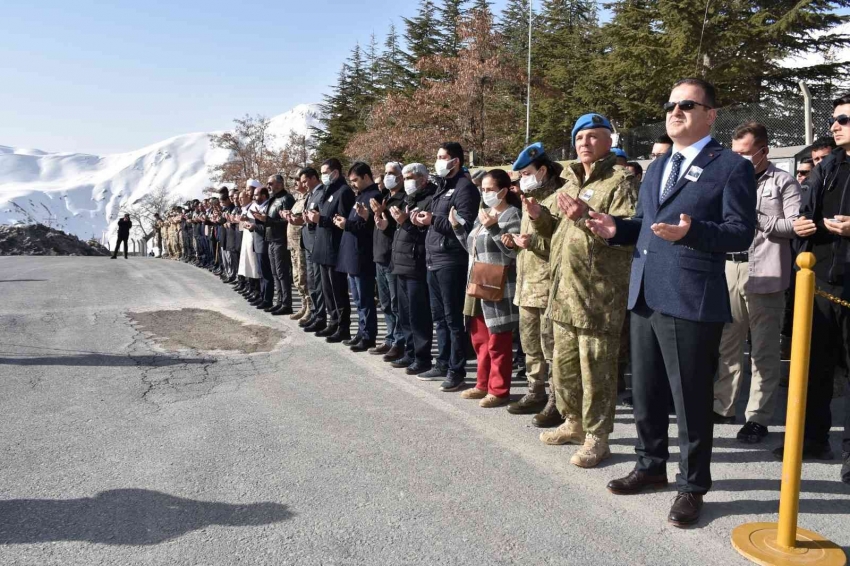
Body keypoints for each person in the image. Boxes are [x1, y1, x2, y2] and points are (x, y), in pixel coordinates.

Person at [588, 78, 756, 526]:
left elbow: (741, 232)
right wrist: (615, 228)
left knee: (690, 398)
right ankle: (650, 466)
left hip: (690, 296)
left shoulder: (730, 167)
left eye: (687, 104)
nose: (675, 111)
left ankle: (692, 485)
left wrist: (693, 232)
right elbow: (646, 225)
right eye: (671, 105)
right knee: (646, 391)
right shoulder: (659, 167)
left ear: (710, 115)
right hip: (646, 292)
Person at [529, 114, 636, 468]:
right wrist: (538, 217)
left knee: (597, 372)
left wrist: (584, 216)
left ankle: (597, 436)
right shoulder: (568, 183)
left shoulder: (619, 183)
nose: (585, 143)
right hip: (564, 295)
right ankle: (572, 422)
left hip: (597, 297)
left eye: (593, 137)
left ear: (609, 141)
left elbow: (623, 238)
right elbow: (554, 236)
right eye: (579, 137)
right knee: (565, 368)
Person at [712, 121, 801, 444]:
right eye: (735, 153)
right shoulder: (728, 180)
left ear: (763, 152)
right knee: (728, 343)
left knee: (763, 348)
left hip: (765, 272)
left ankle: (758, 417)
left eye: (746, 154)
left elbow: (793, 225)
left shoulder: (783, 182)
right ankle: (723, 405)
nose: (739, 159)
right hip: (730, 267)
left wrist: (755, 214)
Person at [790, 92, 850, 485]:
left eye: (843, 119)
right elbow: (804, 214)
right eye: (834, 119)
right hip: (821, 284)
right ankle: (813, 439)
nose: (834, 125)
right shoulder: (827, 166)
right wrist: (799, 228)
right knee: (814, 368)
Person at [412, 142, 481, 391]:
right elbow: (438, 220)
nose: (438, 161)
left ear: (456, 162)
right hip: (434, 259)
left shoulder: (465, 189)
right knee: (439, 317)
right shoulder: (443, 187)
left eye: (443, 157)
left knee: (453, 319)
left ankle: (456, 369)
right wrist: (423, 220)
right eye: (437, 156)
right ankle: (442, 362)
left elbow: (465, 224)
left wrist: (434, 220)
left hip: (452, 260)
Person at [504, 142, 564, 427]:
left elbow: (561, 244)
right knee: (530, 345)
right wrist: (516, 244)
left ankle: (556, 399)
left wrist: (533, 242)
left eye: (526, 173)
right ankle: (535, 391)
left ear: (542, 170)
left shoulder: (558, 198)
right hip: (527, 285)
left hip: (548, 286)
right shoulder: (528, 197)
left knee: (551, 346)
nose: (522, 180)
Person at [450, 169, 521, 407]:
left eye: (490, 189)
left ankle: (499, 390)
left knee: (498, 339)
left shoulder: (512, 215)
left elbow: (512, 251)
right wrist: (458, 228)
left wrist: (494, 228)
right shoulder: (485, 214)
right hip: (478, 279)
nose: (486, 193)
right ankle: (482, 384)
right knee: (480, 337)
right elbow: (472, 247)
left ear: (503, 190)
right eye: (483, 189)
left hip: (499, 283)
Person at [389, 164, 437, 373]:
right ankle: (410, 352)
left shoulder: (430, 200)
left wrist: (405, 222)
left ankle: (422, 357)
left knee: (419, 315)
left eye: (410, 177)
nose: (406, 181)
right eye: (405, 177)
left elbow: (426, 234)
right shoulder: (411, 199)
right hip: (401, 264)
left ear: (423, 180)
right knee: (405, 313)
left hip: (417, 264)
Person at [334, 162, 381, 351]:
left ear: (366, 177)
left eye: (355, 180)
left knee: (365, 299)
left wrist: (347, 225)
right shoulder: (360, 196)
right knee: (358, 299)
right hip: (351, 255)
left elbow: (368, 227)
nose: (352, 184)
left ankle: (369, 335)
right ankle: (361, 332)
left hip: (363, 255)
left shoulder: (374, 195)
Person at [309, 158, 355, 342]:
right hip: (323, 248)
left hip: (335, 249)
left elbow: (341, 221)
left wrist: (320, 219)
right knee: (327, 290)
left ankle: (343, 326)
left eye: (325, 172)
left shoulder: (344, 191)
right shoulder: (329, 191)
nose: (323, 176)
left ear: (335, 172)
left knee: (338, 290)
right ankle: (333, 321)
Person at [370, 162, 407, 357]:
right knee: (385, 303)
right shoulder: (384, 198)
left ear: (401, 177)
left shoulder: (403, 199)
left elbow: (401, 229)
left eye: (391, 173)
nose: (387, 177)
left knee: (396, 303)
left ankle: (400, 342)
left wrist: (387, 225)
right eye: (385, 173)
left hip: (394, 259)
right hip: (380, 256)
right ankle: (390, 338)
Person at [253, 174, 296, 315]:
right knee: (275, 273)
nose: (268, 186)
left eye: (270, 183)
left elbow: (288, 221)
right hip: (271, 239)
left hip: (281, 240)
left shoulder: (287, 198)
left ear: (279, 183)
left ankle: (286, 303)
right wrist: (261, 218)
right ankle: (279, 301)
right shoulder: (273, 199)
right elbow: (269, 219)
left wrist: (268, 220)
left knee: (282, 272)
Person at [299, 168, 328, 333]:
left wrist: (312, 219)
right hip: (308, 243)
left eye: (305, 181)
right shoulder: (310, 195)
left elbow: (321, 216)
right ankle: (316, 313)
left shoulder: (321, 193)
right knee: (312, 282)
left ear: (314, 178)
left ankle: (321, 317)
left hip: (317, 243)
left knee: (318, 283)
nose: (303, 184)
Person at [283, 175, 312, 321]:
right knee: (296, 277)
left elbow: (304, 219)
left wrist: (295, 219)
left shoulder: (308, 198)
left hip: (301, 244)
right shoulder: (298, 199)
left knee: (303, 277)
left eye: (298, 180)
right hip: (293, 244)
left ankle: (310, 308)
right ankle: (303, 305)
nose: (295, 183)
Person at [237, 183, 262, 300]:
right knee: (247, 263)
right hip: (246, 237)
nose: (247, 192)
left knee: (253, 264)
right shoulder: (245, 208)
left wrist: (247, 219)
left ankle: (257, 290)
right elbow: (242, 226)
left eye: (248, 190)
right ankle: (251, 287)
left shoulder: (255, 205)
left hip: (254, 237)